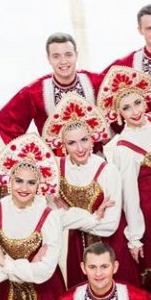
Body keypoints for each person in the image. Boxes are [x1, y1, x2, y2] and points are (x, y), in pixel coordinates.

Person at [43, 93, 140, 286]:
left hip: (110, 245)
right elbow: (53, 218)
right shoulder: (54, 169)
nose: (80, 148)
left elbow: (110, 224)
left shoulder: (108, 170)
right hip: (77, 248)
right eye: (71, 143)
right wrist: (94, 217)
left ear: (92, 138)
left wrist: (70, 215)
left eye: (84, 140)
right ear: (63, 145)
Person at [0, 134, 66, 300]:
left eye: (31, 182)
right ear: (9, 180)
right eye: (18, 181)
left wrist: (5, 263)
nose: (24, 188)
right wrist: (29, 266)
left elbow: (45, 271)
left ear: (39, 185)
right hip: (6, 297)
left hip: (46, 295)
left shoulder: (49, 216)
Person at [99, 66, 151, 286]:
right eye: (126, 108)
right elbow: (129, 195)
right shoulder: (124, 148)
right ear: (118, 113)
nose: (135, 111)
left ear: (145, 101)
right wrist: (135, 236)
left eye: (137, 103)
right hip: (148, 212)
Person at [0, 33, 102, 148]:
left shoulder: (94, 81)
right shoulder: (35, 92)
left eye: (68, 55)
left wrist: (107, 134)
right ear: (49, 59)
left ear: (76, 55)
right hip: (58, 161)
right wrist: (31, 152)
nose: (63, 61)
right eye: (56, 56)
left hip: (95, 158)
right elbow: (5, 120)